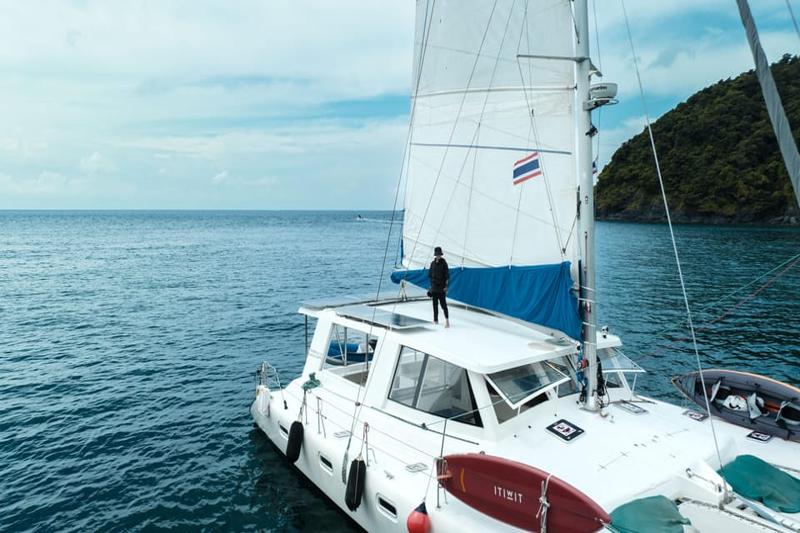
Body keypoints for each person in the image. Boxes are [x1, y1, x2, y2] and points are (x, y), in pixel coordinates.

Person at [428, 246, 450, 327]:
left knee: (443, 305)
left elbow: (447, 276)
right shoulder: (432, 264)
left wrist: (446, 286)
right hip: (434, 288)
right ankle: (435, 320)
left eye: (439, 255)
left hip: (441, 288)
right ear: (435, 255)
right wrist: (430, 288)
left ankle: (447, 321)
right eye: (437, 255)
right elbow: (430, 276)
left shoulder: (444, 264)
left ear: (441, 255)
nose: (438, 256)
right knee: (434, 305)